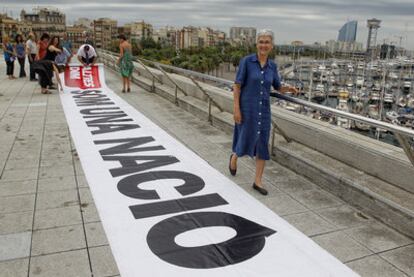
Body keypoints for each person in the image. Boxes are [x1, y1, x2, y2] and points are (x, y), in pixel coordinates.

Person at [229, 29, 298, 196]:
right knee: (244, 139)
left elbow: (277, 86)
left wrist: (288, 89)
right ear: (256, 44)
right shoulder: (246, 62)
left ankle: (257, 181)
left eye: (267, 42)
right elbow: (237, 87)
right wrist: (236, 109)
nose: (264, 45)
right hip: (247, 109)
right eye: (261, 42)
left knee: (262, 145)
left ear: (271, 46)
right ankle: (234, 157)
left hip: (264, 111)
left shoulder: (272, 66)